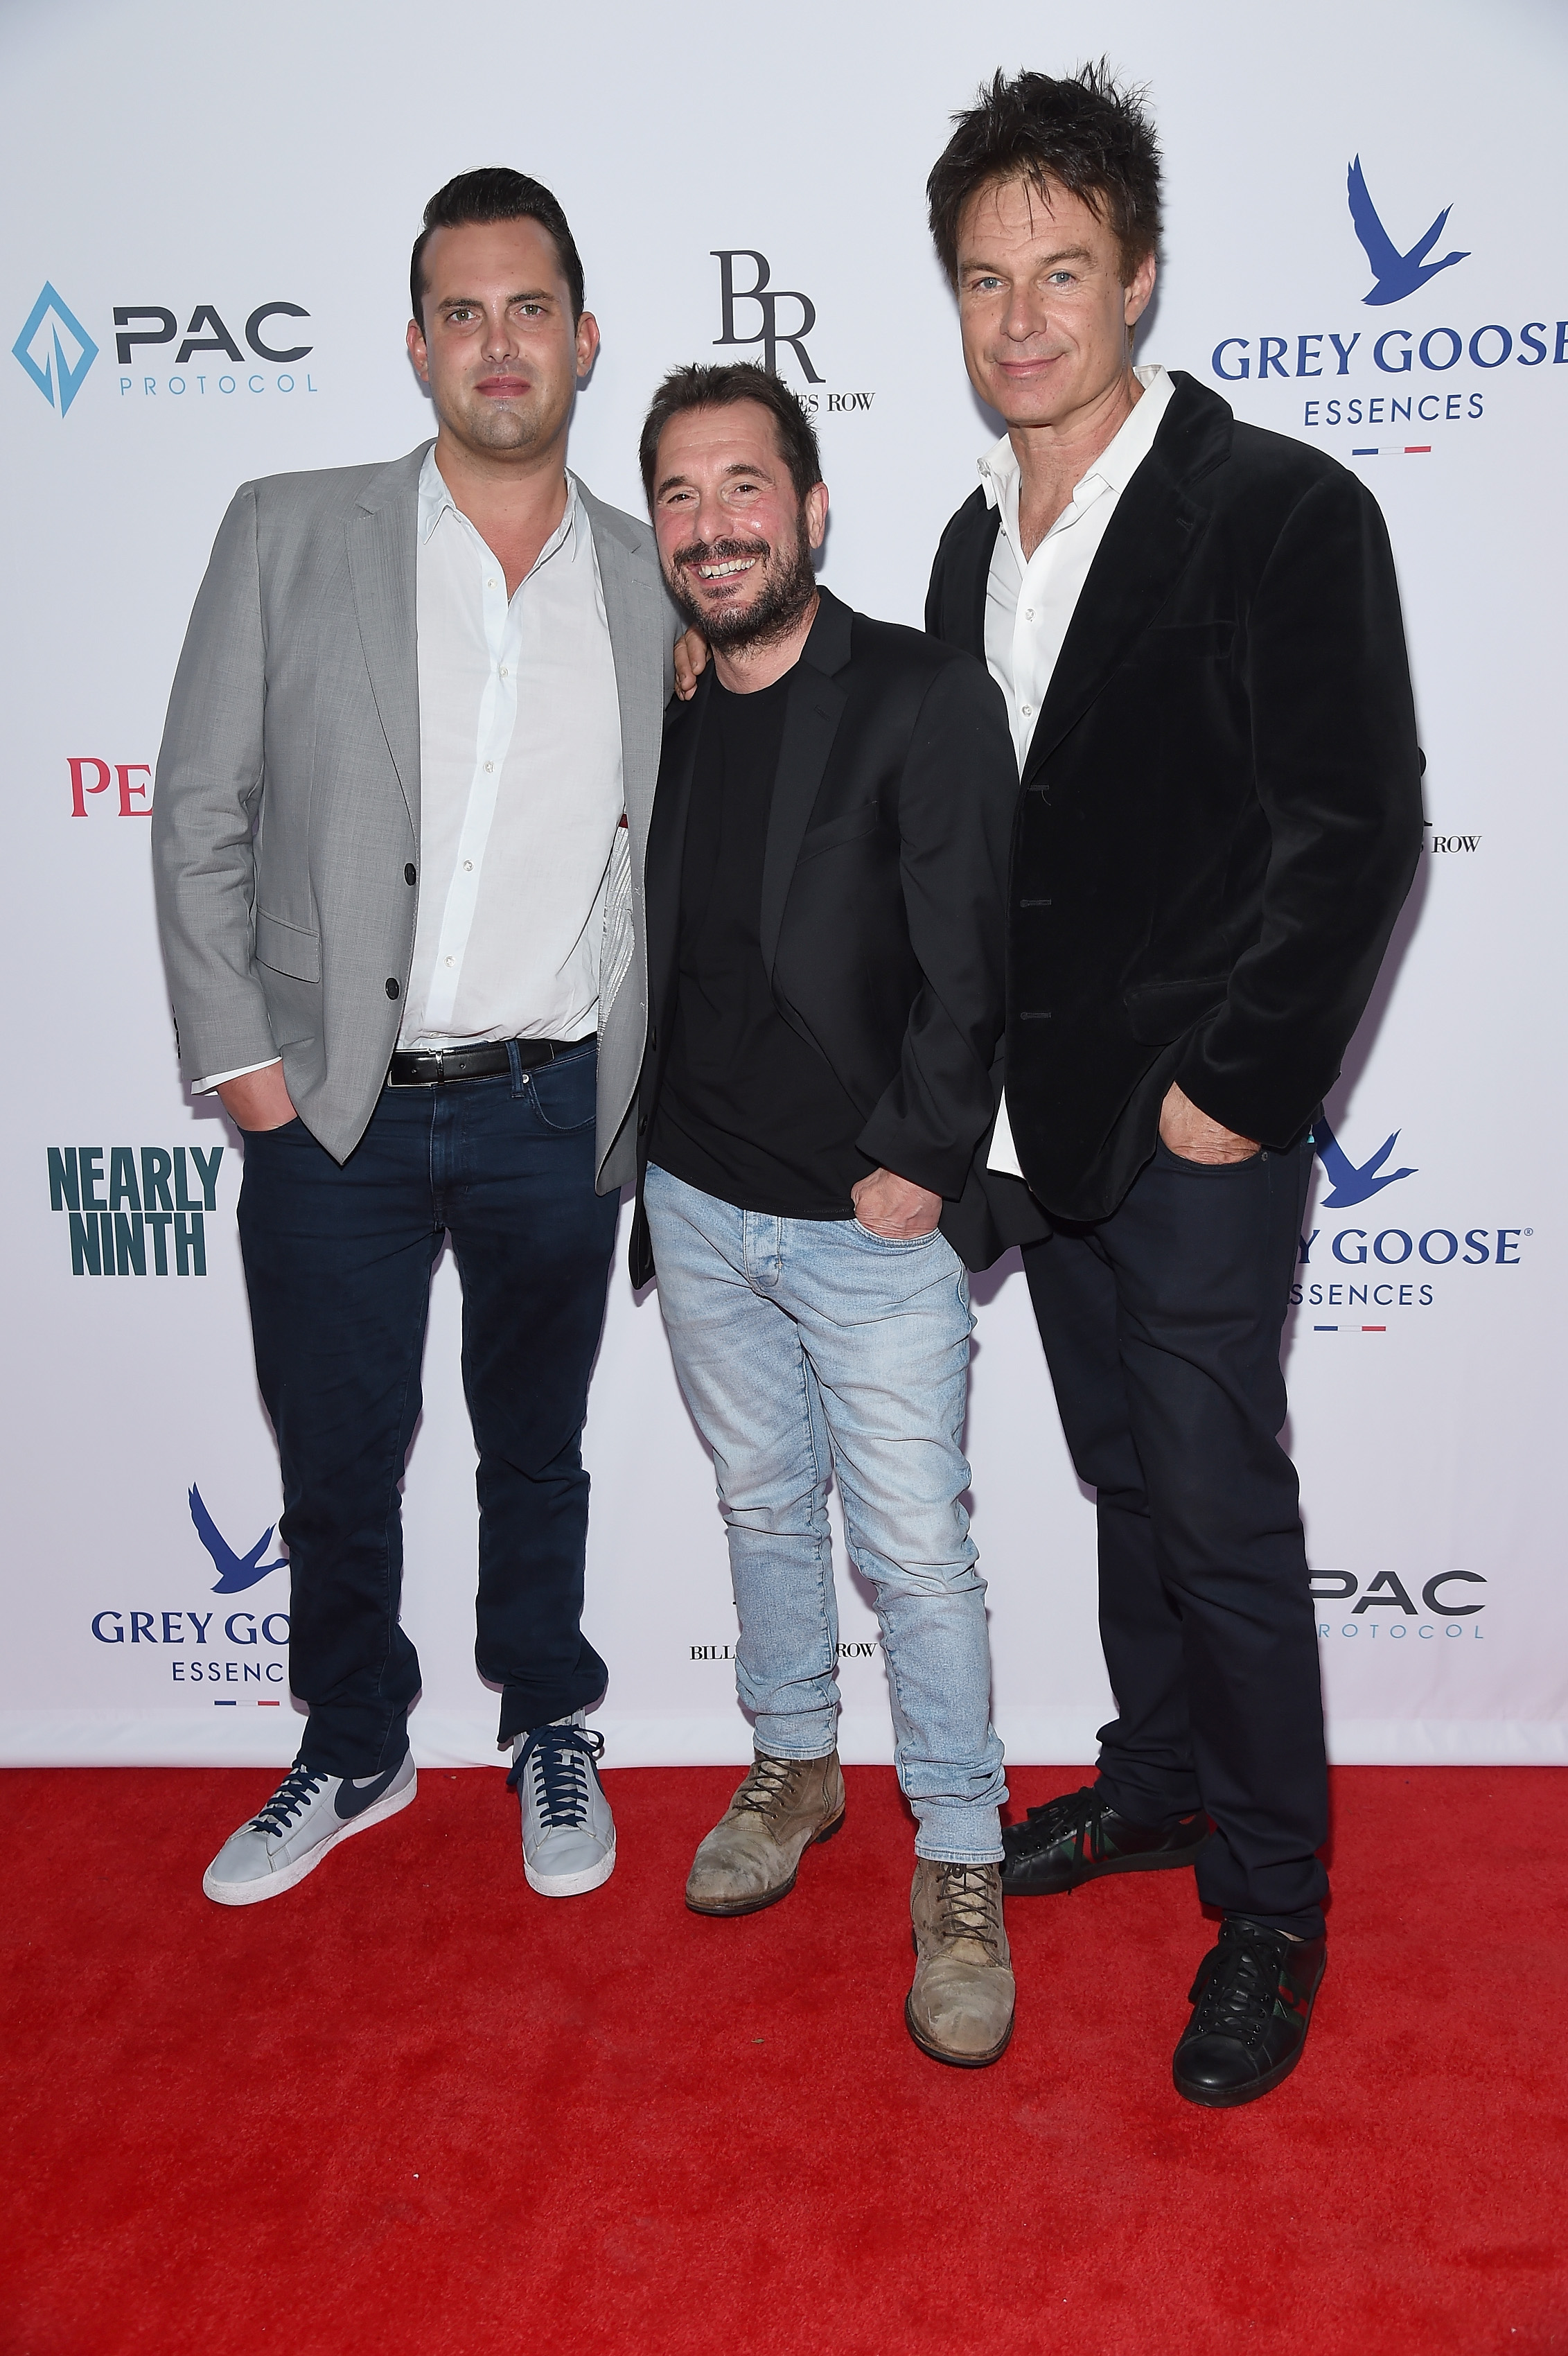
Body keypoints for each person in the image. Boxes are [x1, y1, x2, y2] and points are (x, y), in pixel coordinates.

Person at [922, 68, 1424, 2104]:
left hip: (1199, 1130)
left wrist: (1243, 1084)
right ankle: (1160, 1782)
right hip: (1046, 1143)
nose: (1023, 314)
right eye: (985, 277)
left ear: (1138, 276)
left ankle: (1277, 1901)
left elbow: (1357, 824)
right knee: (1131, 1479)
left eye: (1062, 270)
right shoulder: (974, 543)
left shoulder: (1284, 506)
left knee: (1218, 1506)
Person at [152, 168, 675, 1909]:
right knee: (335, 1449)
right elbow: (199, 806)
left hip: (552, 1101)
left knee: (538, 1444)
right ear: (416, 345)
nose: (497, 342)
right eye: (463, 311)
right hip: (331, 1113)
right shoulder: (290, 529)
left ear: (584, 340)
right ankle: (353, 1737)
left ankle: (545, 1715)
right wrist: (238, 1051)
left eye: (529, 308)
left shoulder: (651, 573)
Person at [633, 362, 1021, 2066]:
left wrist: (924, 1154)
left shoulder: (923, 694)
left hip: (866, 1222)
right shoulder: (664, 694)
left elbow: (973, 959)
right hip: (698, 1195)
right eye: (678, 496)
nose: (712, 525)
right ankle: (794, 1763)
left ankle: (958, 1858)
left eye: (742, 486)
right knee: (763, 1503)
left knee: (919, 1553)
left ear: (807, 502)